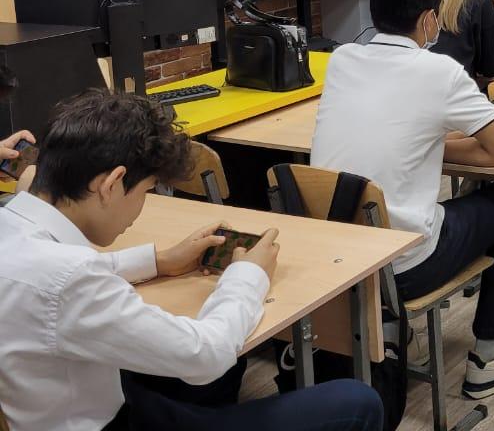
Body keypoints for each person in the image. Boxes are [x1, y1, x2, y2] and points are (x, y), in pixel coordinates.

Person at [0, 89, 382, 431]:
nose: (141, 209)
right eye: (146, 191)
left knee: (223, 365)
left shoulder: (16, 229)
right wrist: (247, 275)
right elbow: (206, 354)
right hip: (110, 418)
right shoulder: (70, 280)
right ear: (111, 184)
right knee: (356, 402)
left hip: (76, 398)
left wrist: (159, 261)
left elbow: (61, 279)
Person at [312, 0, 494, 398]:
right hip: (402, 266)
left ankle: (399, 338)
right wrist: (435, 143)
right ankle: (488, 357)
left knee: (413, 204)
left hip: (338, 256)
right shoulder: (440, 72)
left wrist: (426, 142)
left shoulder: (342, 60)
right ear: (430, 19)